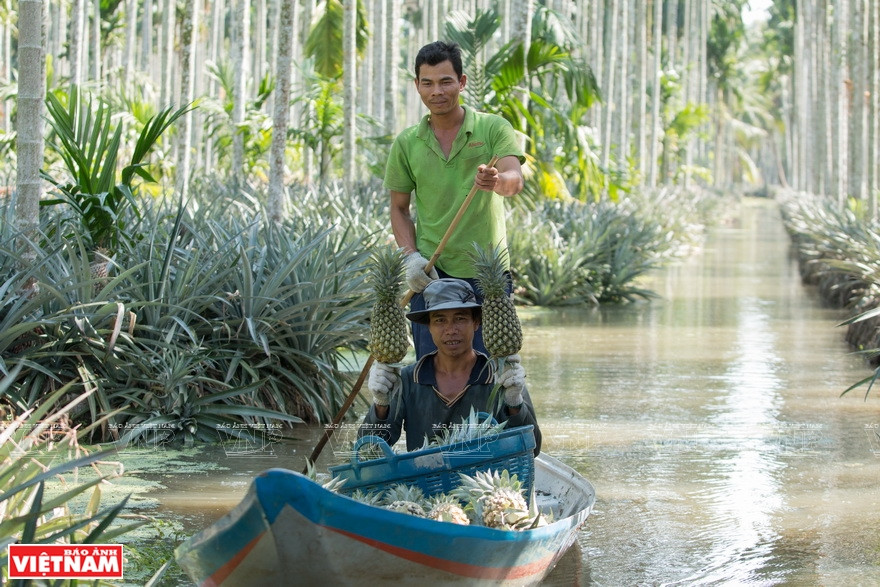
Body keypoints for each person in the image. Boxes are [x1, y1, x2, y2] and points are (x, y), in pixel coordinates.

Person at [385, 40, 526, 358]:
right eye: (428, 83)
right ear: (417, 86)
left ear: (461, 83)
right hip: (432, 273)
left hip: (487, 275)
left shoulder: (492, 128)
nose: (437, 91)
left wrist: (495, 181)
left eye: (446, 81)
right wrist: (411, 258)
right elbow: (398, 208)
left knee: (491, 373)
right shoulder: (407, 143)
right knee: (431, 369)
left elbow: (514, 180)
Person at [359, 278, 541, 455]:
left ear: (476, 323)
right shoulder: (407, 379)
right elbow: (368, 451)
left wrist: (514, 402)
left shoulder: (502, 375)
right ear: (428, 326)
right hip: (425, 478)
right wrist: (381, 404)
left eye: (460, 318)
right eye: (439, 320)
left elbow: (533, 449)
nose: (450, 329)